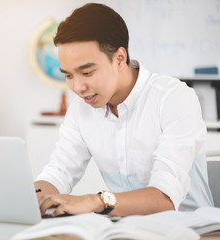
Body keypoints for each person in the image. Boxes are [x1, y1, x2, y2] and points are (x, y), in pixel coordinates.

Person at [34, 3, 214, 217]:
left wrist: (96, 201)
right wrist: (37, 198)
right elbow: (57, 173)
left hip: (192, 230)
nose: (77, 88)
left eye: (88, 73)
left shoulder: (173, 98)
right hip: (124, 230)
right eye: (69, 75)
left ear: (119, 58)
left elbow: (164, 199)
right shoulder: (81, 109)